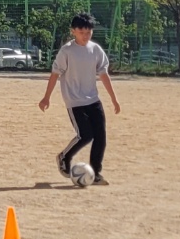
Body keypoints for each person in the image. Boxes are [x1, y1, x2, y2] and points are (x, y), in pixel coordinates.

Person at [38, 13, 120, 185]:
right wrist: (46, 98)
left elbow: (103, 74)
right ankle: (64, 156)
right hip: (75, 101)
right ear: (73, 31)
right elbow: (55, 74)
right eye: (82, 32)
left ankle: (95, 173)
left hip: (93, 100)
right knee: (85, 135)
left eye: (89, 32)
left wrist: (114, 99)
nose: (86, 35)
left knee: (100, 136)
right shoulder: (67, 51)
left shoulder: (95, 50)